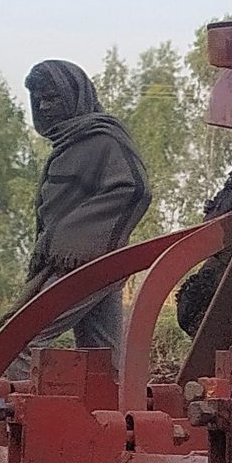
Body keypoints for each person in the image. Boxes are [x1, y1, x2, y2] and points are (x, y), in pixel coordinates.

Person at [17, 59, 153, 353]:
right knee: (101, 354)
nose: (43, 107)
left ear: (74, 95)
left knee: (18, 341)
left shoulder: (104, 139)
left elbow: (135, 189)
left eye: (51, 98)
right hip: (78, 263)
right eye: (38, 100)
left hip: (85, 263)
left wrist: (76, 239)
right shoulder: (68, 145)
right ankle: (112, 399)